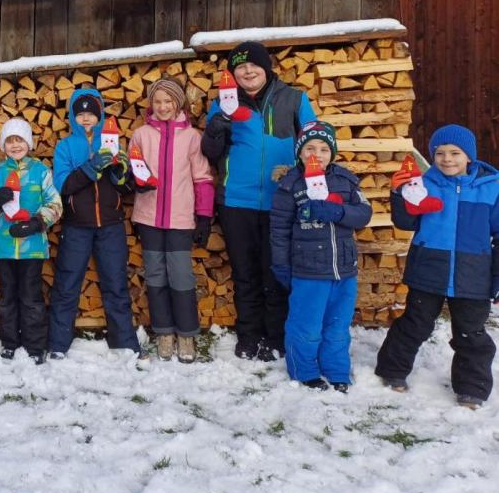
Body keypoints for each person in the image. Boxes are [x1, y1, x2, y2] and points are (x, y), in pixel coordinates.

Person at [202, 41, 317, 361]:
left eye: (253, 65)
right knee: (245, 272)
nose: (247, 71)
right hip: (236, 201)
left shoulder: (294, 99)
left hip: (281, 201)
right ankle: (249, 335)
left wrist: (300, 176)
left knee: (276, 271)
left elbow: (315, 144)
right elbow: (210, 152)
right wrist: (217, 126)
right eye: (240, 67)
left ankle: (275, 336)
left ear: (266, 67)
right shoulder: (222, 103)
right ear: (233, 73)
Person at [375, 125, 499, 409]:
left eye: (455, 153)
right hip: (428, 270)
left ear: (469, 156)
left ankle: (472, 389)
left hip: (473, 275)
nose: (447, 159)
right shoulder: (423, 184)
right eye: (439, 153)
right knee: (415, 324)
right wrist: (398, 193)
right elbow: (406, 222)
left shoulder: (491, 188)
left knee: (471, 332)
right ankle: (392, 371)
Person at [270, 121, 371, 391]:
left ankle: (337, 370)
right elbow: (279, 230)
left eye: (324, 148)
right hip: (308, 270)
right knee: (306, 325)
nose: (317, 154)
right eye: (310, 148)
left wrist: (339, 213)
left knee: (337, 325)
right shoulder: (290, 185)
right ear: (300, 152)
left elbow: (364, 213)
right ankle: (304, 371)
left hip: (344, 270)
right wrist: (281, 264)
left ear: (332, 152)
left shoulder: (346, 181)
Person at [48, 89, 143, 360]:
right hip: (76, 225)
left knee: (116, 283)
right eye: (80, 114)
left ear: (100, 116)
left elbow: (127, 188)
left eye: (91, 114)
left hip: (111, 224)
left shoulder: (112, 141)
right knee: (67, 283)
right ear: (72, 117)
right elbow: (62, 185)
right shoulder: (65, 146)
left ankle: (124, 342)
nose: (86, 119)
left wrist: (120, 173)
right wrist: (90, 168)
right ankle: (57, 343)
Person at [130, 78, 213, 363]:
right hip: (148, 216)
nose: (163, 107)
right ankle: (164, 331)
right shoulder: (141, 135)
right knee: (155, 274)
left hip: (180, 218)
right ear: (151, 105)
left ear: (178, 104)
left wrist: (203, 216)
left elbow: (202, 177)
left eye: (168, 101)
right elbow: (133, 169)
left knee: (180, 274)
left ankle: (186, 334)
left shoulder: (192, 137)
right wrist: (135, 183)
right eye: (158, 101)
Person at [0, 117, 62, 364]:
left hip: (32, 246)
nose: (15, 145)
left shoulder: (40, 171)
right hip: (2, 246)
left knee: (31, 296)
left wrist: (38, 222)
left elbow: (54, 203)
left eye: (20, 140)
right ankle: (9, 342)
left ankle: (35, 345)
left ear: (29, 143)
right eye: (10, 141)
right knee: (8, 296)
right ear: (3, 145)